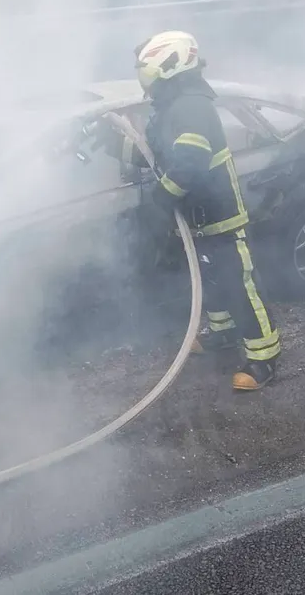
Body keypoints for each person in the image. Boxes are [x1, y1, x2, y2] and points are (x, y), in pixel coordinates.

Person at [98, 30, 280, 390]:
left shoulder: (192, 107)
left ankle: (264, 358)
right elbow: (155, 156)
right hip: (200, 216)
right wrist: (107, 142)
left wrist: (161, 201)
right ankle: (223, 335)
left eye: (147, 72)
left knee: (240, 285)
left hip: (220, 214)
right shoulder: (173, 106)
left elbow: (189, 163)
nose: (145, 81)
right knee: (210, 281)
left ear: (168, 66)